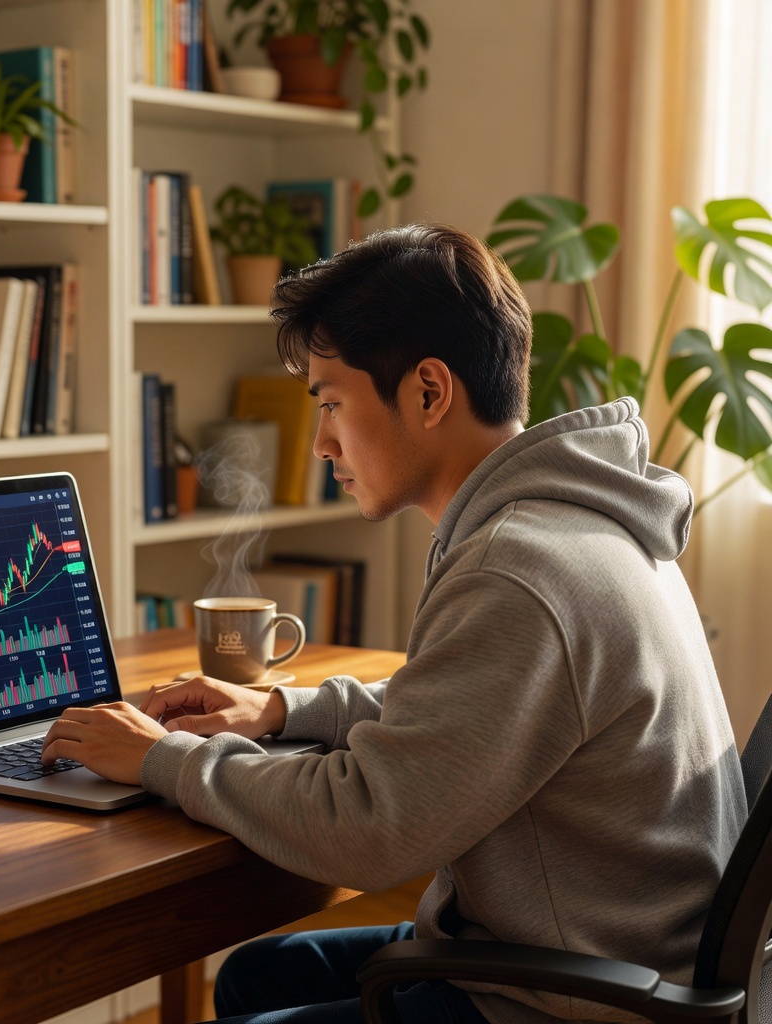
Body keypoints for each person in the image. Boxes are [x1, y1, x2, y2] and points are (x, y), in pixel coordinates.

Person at [42, 224, 746, 1024]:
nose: (321, 444)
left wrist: (161, 760)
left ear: (427, 392)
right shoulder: (575, 523)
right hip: (617, 959)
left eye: (333, 403)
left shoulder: (515, 569)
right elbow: (468, 717)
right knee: (261, 975)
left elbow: (371, 825)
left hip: (573, 1000)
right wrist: (281, 711)